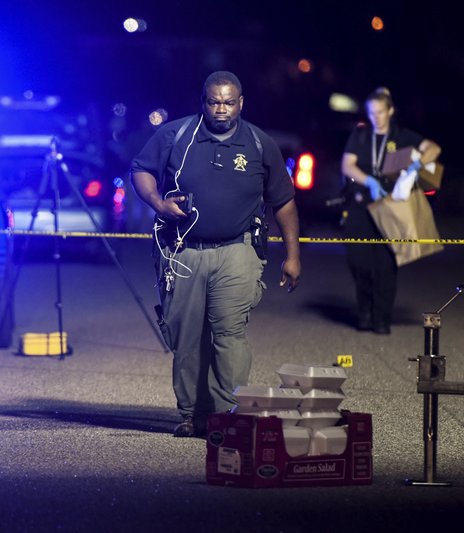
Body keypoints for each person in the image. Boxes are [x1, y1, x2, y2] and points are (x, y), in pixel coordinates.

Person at [130, 71, 301, 437]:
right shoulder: (176, 135)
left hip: (237, 252)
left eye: (228, 102)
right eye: (213, 101)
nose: (221, 109)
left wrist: (293, 255)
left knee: (229, 334)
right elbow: (141, 170)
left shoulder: (258, 143)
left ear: (241, 102)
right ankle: (192, 414)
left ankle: (227, 415)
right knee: (186, 336)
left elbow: (283, 202)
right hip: (184, 253)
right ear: (203, 101)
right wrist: (158, 203)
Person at [340, 87, 440, 335]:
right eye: (371, 113)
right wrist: (369, 181)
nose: (376, 118)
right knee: (358, 261)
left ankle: (381, 318)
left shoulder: (402, 135)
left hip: (390, 208)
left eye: (380, 112)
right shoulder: (361, 135)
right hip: (362, 206)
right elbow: (347, 165)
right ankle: (364, 311)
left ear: (390, 111)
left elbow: (433, 148)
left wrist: (416, 164)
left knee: (386, 266)